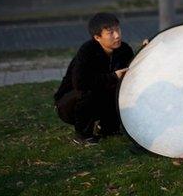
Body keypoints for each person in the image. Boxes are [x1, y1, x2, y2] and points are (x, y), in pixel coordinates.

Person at [54, 12, 133, 145]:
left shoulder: (124, 49)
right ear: (97, 37)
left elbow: (132, 72)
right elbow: (80, 83)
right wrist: (113, 77)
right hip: (70, 104)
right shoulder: (87, 51)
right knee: (90, 90)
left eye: (118, 29)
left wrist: (145, 49)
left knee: (119, 89)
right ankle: (82, 135)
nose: (117, 35)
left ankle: (109, 128)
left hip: (99, 99)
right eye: (110, 33)